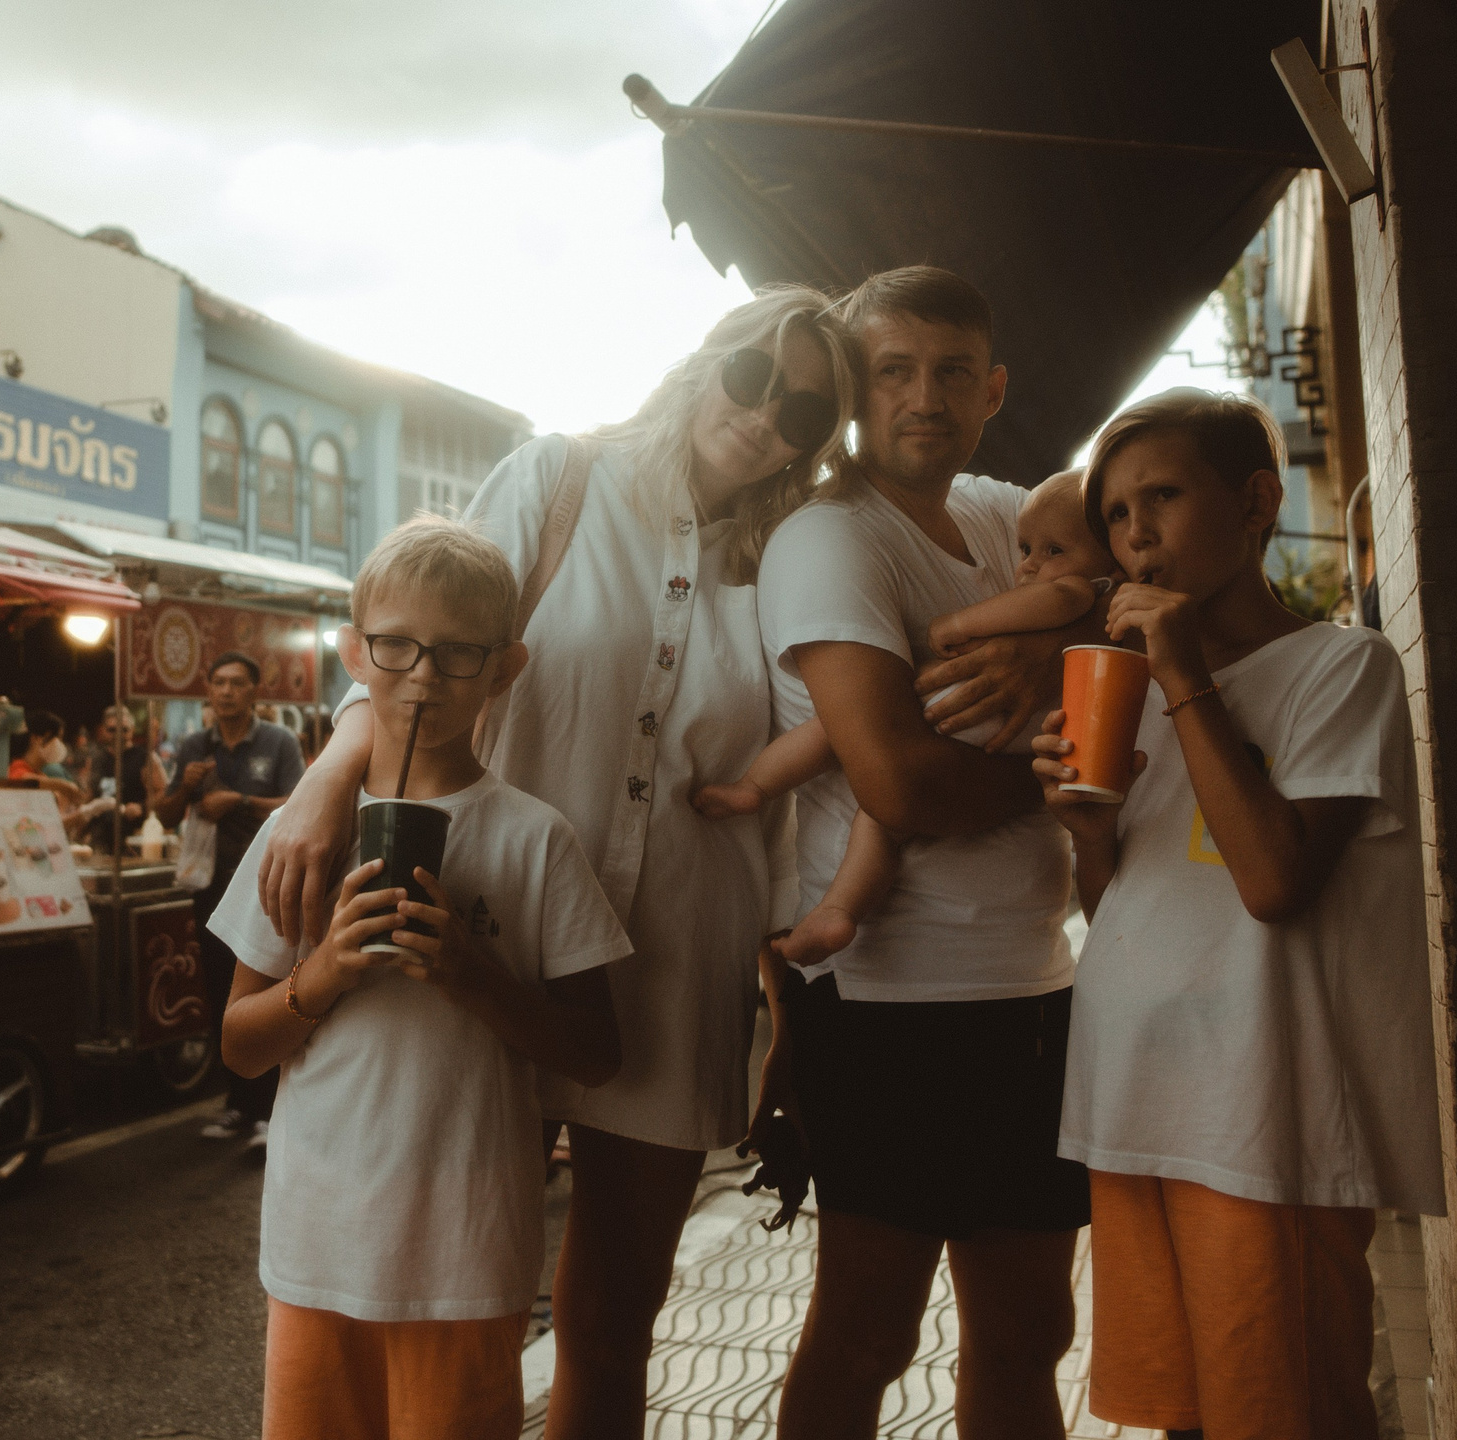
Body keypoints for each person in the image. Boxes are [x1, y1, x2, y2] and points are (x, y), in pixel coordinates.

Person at [256, 284, 1019, 1437]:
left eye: (808, 409)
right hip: (488, 924)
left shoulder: (790, 554)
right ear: (703, 361)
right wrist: (323, 782)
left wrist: (787, 1011)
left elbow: (799, 780)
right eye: (755, 377)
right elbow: (427, 646)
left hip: (674, 959)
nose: (768, 417)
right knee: (433, 1291)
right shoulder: (559, 477)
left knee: (614, 1315)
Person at [1032, 390, 1443, 1438]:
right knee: (1179, 1416)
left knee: (1285, 1412)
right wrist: (1086, 829)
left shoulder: (1339, 668)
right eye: (1117, 515)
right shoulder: (1144, 697)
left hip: (1265, 1123)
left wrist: (1178, 676)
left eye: (1161, 496)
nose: (1135, 536)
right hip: (1136, 1108)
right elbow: (1124, 911)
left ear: (1256, 501)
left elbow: (1272, 883)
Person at [755, 266, 1088, 1436]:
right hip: (892, 997)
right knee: (866, 1334)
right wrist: (1052, 772)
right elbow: (896, 776)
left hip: (1034, 987)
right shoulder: (828, 539)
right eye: (892, 371)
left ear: (992, 388)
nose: (923, 398)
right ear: (854, 388)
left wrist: (1060, 655)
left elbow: (1108, 584)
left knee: (1027, 1334)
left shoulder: (1001, 515)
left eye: (951, 371)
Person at [210, 516, 630, 1440]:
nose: (424, 678)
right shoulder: (301, 836)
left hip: (465, 1255)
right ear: (356, 654)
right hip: (319, 1241)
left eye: (457, 654)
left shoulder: (534, 838)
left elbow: (597, 1053)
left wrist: (475, 977)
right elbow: (239, 1047)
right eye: (396, 647)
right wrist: (321, 976)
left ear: (505, 668)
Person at [695, 468, 1120, 969]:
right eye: (1025, 548)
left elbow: (1055, 600)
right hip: (992, 725)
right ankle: (835, 903)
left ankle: (760, 792)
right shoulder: (829, 531)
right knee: (876, 814)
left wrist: (957, 622)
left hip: (980, 712)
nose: (1027, 566)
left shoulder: (1079, 589)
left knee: (838, 745)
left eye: (1053, 551)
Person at [158, 651, 304, 1149]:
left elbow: (301, 802)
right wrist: (188, 787)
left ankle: (269, 1109)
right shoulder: (195, 744)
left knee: (265, 994)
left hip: (267, 887)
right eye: (218, 683)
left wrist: (239, 801)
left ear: (254, 691)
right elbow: (165, 813)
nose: (226, 692)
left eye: (236, 683)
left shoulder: (278, 742)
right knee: (222, 995)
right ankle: (238, 1106)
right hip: (212, 887)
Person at [86, 705, 167, 855]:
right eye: (112, 730)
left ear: (132, 730)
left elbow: (163, 792)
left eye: (124, 729)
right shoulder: (97, 759)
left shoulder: (145, 758)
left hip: (133, 837)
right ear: (103, 730)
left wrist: (141, 807)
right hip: (100, 838)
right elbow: (89, 796)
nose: (118, 734)